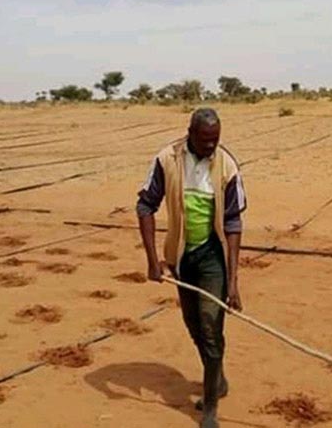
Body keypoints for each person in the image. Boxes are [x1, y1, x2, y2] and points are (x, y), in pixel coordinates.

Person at [136, 108, 247, 428]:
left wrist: (233, 281)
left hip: (212, 256)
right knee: (195, 326)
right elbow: (145, 205)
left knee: (212, 328)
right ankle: (219, 379)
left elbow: (233, 222)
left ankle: (210, 406)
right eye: (205, 140)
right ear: (190, 133)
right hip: (182, 258)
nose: (212, 147)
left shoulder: (227, 165)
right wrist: (152, 260)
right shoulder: (167, 159)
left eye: (216, 140)